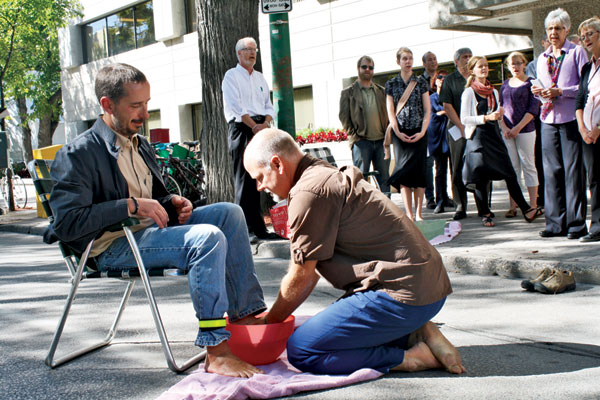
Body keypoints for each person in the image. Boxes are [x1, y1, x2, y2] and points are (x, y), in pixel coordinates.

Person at [44, 63, 267, 378]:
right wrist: (131, 206)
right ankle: (216, 349)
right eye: (136, 105)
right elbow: (68, 224)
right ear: (107, 105)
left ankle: (245, 317)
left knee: (230, 213)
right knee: (207, 238)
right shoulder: (78, 154)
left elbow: (153, 201)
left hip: (149, 234)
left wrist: (173, 204)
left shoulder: (139, 144)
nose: (145, 113)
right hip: (112, 246)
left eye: (146, 104)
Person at [243, 127, 466, 376]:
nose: (260, 187)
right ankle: (417, 331)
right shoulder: (320, 170)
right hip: (427, 287)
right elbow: (312, 271)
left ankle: (411, 357)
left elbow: (302, 276)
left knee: (303, 349)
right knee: (323, 332)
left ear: (277, 164)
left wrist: (270, 322)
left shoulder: (307, 193)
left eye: (259, 177)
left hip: (403, 295)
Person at [460, 56, 543, 227]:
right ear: (472, 70)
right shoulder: (469, 92)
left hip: (494, 136)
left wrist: (499, 118)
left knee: (509, 172)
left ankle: (526, 209)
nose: (484, 69)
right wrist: (486, 117)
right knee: (481, 177)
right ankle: (485, 213)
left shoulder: (494, 91)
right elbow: (464, 119)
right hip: (477, 137)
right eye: (480, 66)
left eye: (486, 66)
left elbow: (497, 114)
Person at [531, 8, 589, 239]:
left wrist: (561, 91)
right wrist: (539, 92)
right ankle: (555, 223)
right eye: (550, 29)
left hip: (571, 118)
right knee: (551, 171)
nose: (553, 33)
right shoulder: (542, 58)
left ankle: (576, 224)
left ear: (566, 30)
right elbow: (541, 90)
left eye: (558, 28)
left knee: (573, 172)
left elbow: (584, 87)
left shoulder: (577, 53)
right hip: (547, 119)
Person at [221, 37, 279, 241]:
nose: (252, 53)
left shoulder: (260, 78)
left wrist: (264, 123)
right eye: (248, 49)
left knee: (259, 178)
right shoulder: (231, 76)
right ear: (239, 53)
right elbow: (236, 107)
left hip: (260, 127)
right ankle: (242, 230)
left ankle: (259, 228)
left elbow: (268, 106)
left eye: (255, 49)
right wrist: (253, 125)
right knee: (243, 179)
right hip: (242, 128)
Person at [384, 47, 431, 221]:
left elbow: (427, 110)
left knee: (419, 172)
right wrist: (397, 131)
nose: (408, 61)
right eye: (404, 58)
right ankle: (409, 214)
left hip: (419, 131)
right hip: (400, 133)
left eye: (410, 58)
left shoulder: (421, 82)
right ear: (398, 62)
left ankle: (419, 213)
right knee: (404, 173)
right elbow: (390, 111)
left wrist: (422, 131)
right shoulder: (391, 84)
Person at [499, 51, 541, 218]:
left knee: (528, 165)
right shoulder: (505, 85)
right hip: (507, 132)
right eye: (512, 63)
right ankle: (513, 205)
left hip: (526, 130)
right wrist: (504, 127)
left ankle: (533, 205)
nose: (515, 66)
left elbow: (533, 109)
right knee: (512, 169)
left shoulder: (531, 83)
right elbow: (500, 108)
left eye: (518, 62)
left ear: (524, 64)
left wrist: (517, 128)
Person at [339, 55, 390, 193]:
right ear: (358, 68)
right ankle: (364, 212)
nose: (367, 69)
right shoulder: (348, 93)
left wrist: (388, 136)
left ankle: (386, 212)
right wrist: (354, 136)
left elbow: (389, 113)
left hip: (381, 142)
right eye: (364, 67)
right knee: (361, 180)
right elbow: (344, 116)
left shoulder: (382, 91)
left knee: (384, 179)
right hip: (362, 143)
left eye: (371, 67)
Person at [440, 48, 472, 220]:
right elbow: (446, 105)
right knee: (457, 165)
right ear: (456, 61)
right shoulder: (450, 80)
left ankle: (482, 205)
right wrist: (460, 126)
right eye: (464, 57)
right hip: (457, 128)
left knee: (478, 163)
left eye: (469, 56)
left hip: (475, 127)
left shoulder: (477, 78)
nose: (467, 60)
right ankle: (460, 205)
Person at [575, 17, 600, 242]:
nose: (585, 39)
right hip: (589, 135)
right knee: (594, 180)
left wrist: (598, 128)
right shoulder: (586, 68)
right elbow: (580, 100)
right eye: (583, 36)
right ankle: (597, 227)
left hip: (599, 130)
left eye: (590, 34)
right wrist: (583, 128)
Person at [427, 70, 454, 214]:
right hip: (437, 138)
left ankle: (453, 199)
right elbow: (436, 114)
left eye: (445, 77)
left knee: (454, 169)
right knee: (440, 170)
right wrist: (447, 111)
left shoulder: (451, 96)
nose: (442, 80)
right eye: (440, 77)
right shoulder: (431, 98)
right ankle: (440, 201)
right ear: (435, 80)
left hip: (451, 136)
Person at [422, 51, 439, 209]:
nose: (433, 62)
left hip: (441, 128)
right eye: (429, 60)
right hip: (427, 129)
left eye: (434, 59)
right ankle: (430, 197)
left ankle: (442, 196)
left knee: (441, 164)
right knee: (428, 164)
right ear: (424, 63)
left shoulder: (442, 78)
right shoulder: (420, 81)